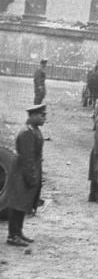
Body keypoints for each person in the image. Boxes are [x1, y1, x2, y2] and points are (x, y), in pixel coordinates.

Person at [6, 103, 47, 247]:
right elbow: (27, 158)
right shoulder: (27, 132)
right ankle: (12, 235)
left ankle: (18, 232)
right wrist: (32, 177)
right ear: (33, 116)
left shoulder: (34, 130)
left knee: (24, 202)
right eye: (42, 115)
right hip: (22, 172)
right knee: (18, 202)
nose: (44, 118)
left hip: (27, 170)